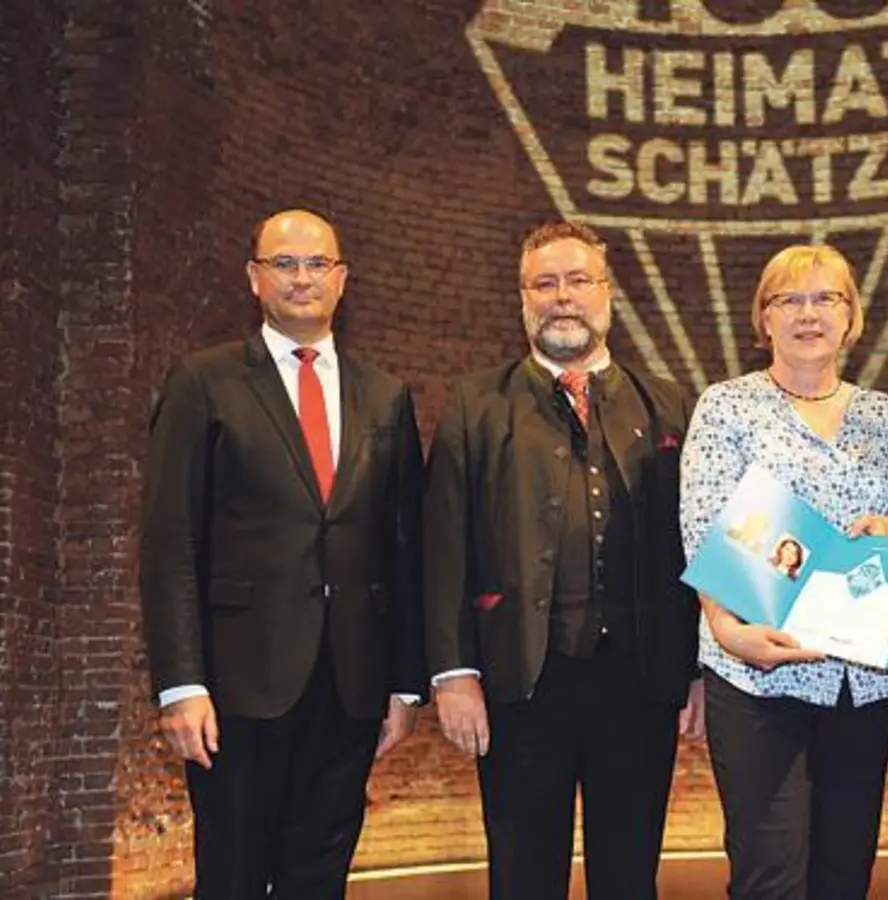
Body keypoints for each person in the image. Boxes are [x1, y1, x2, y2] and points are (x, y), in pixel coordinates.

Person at [139, 209, 426, 899]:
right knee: (232, 878)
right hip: (236, 687)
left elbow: (405, 546)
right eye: (285, 264)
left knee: (319, 879)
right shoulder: (203, 382)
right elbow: (169, 539)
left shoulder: (386, 396)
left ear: (343, 278)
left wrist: (404, 681)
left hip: (350, 686)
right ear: (254, 277)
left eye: (317, 264)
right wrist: (182, 683)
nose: (302, 279)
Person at [422, 219, 705, 900]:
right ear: (522, 298)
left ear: (607, 292)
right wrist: (453, 674)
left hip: (639, 683)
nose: (562, 296)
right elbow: (442, 547)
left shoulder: (669, 404)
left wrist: (696, 669)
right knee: (522, 877)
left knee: (630, 876)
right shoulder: (474, 405)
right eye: (544, 283)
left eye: (578, 280)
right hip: (521, 679)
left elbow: (697, 545)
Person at [679, 243, 888, 900]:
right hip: (758, 671)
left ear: (852, 317)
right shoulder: (726, 407)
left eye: (827, 298)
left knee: (845, 874)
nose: (808, 313)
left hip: (861, 682)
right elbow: (703, 529)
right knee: (771, 877)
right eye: (789, 299)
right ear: (763, 319)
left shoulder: (883, 416)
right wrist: (726, 631)